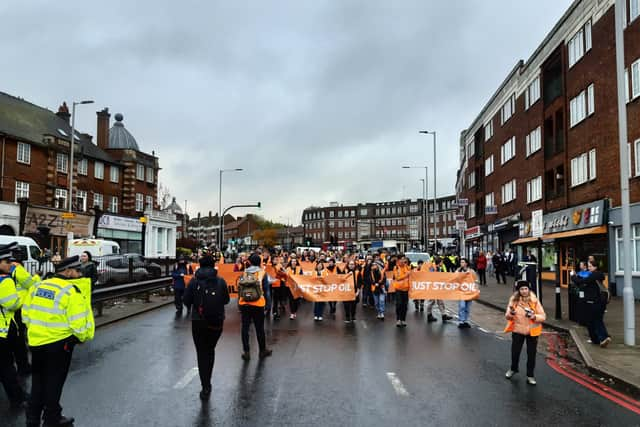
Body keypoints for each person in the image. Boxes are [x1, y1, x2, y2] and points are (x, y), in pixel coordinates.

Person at [22, 255, 95, 427]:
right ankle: (51, 419)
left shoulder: (38, 286)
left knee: (38, 381)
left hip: (36, 342)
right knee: (54, 382)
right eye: (78, 271)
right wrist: (81, 338)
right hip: (59, 344)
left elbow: (26, 314)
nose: (80, 274)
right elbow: (79, 325)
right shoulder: (71, 292)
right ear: (68, 271)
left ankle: (32, 418)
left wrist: (36, 331)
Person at [182, 255, 230, 400]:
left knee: (201, 353)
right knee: (210, 350)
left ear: (200, 265)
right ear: (213, 265)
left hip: (198, 321)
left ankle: (205, 386)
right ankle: (208, 377)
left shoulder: (194, 281)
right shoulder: (220, 281)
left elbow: (186, 300)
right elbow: (226, 300)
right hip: (216, 322)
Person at [0, 244, 30, 408]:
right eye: (7, 261)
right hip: (3, 330)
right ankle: (17, 398)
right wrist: (21, 297)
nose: (10, 264)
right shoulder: (4, 281)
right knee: (6, 366)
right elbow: (12, 304)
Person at [505, 280, 546, 385]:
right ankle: (513, 369)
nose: (524, 291)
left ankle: (530, 376)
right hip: (518, 330)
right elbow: (507, 316)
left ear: (529, 289)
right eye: (521, 289)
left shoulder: (534, 301)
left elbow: (543, 316)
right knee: (515, 352)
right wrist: (511, 313)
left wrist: (534, 316)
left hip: (532, 331)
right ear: (518, 291)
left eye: (525, 289)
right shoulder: (514, 300)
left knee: (531, 355)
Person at [9, 246, 39, 376]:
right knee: (19, 339)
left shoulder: (5, 268)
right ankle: (23, 366)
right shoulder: (18, 269)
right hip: (18, 307)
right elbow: (32, 284)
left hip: (5, 307)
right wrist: (37, 277)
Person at [238, 254, 272, 360]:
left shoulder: (245, 272)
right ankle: (262, 350)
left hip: (245, 303)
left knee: (245, 328)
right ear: (260, 262)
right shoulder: (262, 273)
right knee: (259, 328)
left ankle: (246, 351)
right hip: (258, 303)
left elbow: (240, 288)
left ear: (250, 262)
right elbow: (266, 291)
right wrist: (268, 305)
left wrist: (239, 303)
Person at [573, 260, 611, 347]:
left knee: (593, 320)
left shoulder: (594, 275)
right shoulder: (597, 275)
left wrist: (573, 276)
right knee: (597, 320)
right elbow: (583, 282)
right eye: (588, 266)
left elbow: (581, 282)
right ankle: (600, 338)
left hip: (595, 302)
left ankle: (603, 337)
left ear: (595, 267)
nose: (589, 268)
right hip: (600, 302)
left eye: (590, 266)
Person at [426, 257, 453, 323]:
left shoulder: (439, 268)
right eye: (441, 262)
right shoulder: (432, 267)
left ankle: (443, 315)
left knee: (440, 301)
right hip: (432, 287)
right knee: (431, 301)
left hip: (438, 287)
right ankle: (429, 315)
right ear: (439, 262)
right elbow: (430, 276)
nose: (442, 263)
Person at [456, 258, 477, 328]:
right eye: (461, 262)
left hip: (469, 292)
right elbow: (454, 278)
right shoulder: (458, 270)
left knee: (467, 307)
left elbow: (475, 280)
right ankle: (461, 321)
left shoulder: (471, 271)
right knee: (462, 306)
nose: (461, 263)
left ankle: (466, 321)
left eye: (463, 262)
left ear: (466, 263)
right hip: (461, 292)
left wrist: (476, 289)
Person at [393, 256, 410, 327]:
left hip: (406, 289)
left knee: (405, 305)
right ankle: (398, 319)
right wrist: (406, 275)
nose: (403, 261)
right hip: (398, 289)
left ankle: (403, 320)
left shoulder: (407, 267)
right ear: (399, 260)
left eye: (404, 259)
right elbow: (397, 278)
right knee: (399, 304)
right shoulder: (396, 268)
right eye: (402, 259)